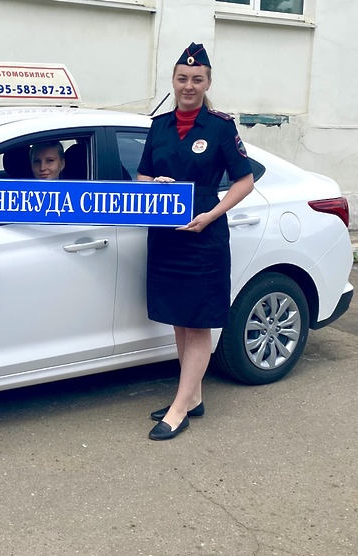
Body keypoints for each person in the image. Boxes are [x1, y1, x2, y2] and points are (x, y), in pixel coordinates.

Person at [137, 42, 255, 440]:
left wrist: (212, 214)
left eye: (197, 79)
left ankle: (178, 408)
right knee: (179, 319)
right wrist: (155, 185)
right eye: (182, 79)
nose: (189, 86)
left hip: (204, 234)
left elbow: (244, 180)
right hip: (166, 235)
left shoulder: (220, 127)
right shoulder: (158, 126)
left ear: (207, 83)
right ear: (173, 81)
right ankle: (194, 396)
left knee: (198, 323)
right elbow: (142, 175)